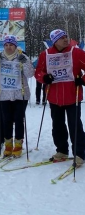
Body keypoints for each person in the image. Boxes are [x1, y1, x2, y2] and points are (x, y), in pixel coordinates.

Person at [35, 29, 85, 167]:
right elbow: (39, 71)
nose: (65, 39)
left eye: (66, 36)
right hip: (54, 96)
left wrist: (82, 79)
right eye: (61, 38)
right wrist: (44, 77)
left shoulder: (76, 52)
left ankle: (80, 153)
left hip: (72, 95)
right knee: (57, 125)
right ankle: (62, 151)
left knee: (75, 125)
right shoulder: (45, 54)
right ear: (54, 41)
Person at [0, 35, 34, 157]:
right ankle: (8, 144)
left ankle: (18, 144)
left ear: (15, 45)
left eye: (11, 45)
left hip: (20, 94)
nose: (9, 47)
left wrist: (24, 62)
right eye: (6, 45)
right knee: (6, 120)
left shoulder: (22, 56)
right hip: (4, 94)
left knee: (19, 119)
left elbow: (30, 74)